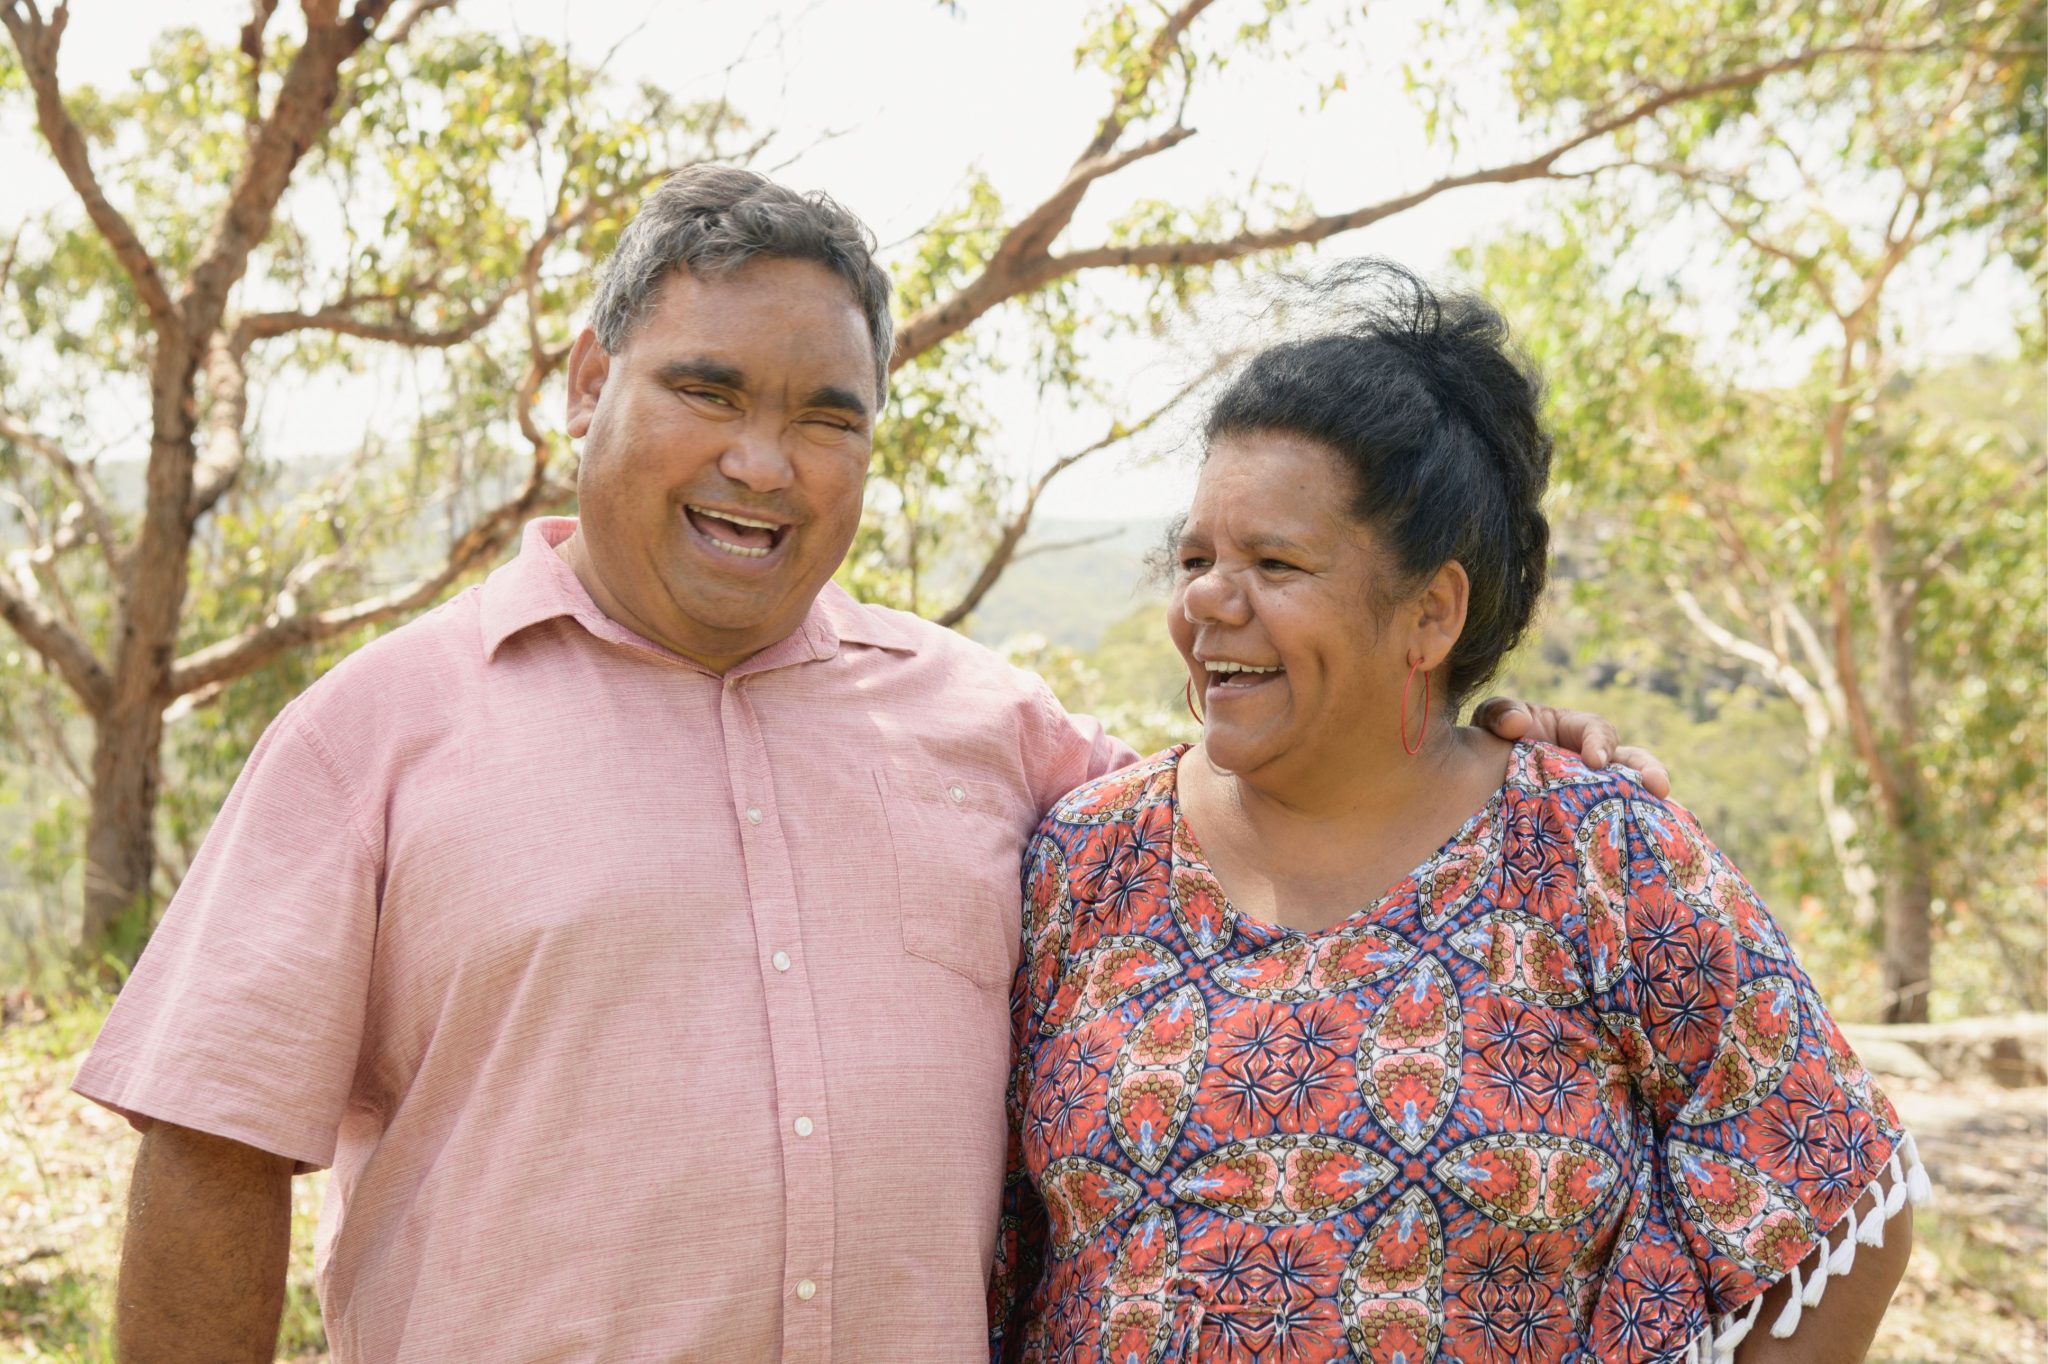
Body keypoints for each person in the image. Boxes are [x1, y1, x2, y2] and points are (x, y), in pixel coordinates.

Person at [74, 171, 1663, 1362]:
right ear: (587, 383)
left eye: (827, 419)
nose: (763, 463)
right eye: (707, 390)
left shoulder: (999, 730)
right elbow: (213, 1154)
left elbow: (1271, 805)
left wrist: (1476, 753)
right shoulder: (379, 732)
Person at [990, 261, 1924, 1364]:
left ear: (1430, 611)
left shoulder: (1597, 853)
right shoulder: (1085, 858)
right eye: (1195, 557)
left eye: (1274, 562)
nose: (1203, 597)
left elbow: (1838, 1186)